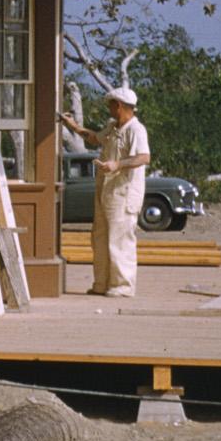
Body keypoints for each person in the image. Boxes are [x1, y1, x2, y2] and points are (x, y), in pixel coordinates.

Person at [61, 87, 151, 297]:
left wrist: (117, 164)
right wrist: (72, 125)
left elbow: (144, 157)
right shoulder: (113, 127)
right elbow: (94, 138)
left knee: (120, 239)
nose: (109, 109)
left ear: (119, 105)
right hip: (106, 191)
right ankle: (101, 283)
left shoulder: (136, 130)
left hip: (124, 192)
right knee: (100, 238)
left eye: (111, 105)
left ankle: (123, 286)